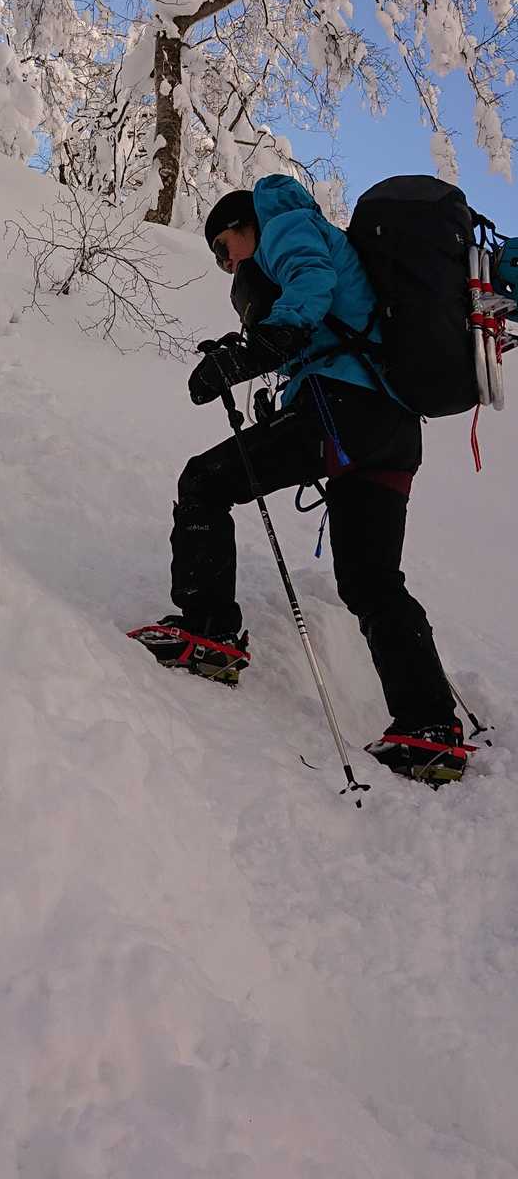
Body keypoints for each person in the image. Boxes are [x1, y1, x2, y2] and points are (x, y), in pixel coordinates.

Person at [134, 176, 465, 781]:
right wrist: (263, 360)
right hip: (390, 431)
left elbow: (310, 284)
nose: (225, 263)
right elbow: (321, 318)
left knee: (204, 482)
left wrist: (252, 352)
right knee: (371, 582)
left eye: (223, 247)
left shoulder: (284, 220)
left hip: (343, 410)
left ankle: (208, 633)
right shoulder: (302, 246)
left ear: (244, 223)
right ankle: (429, 728)